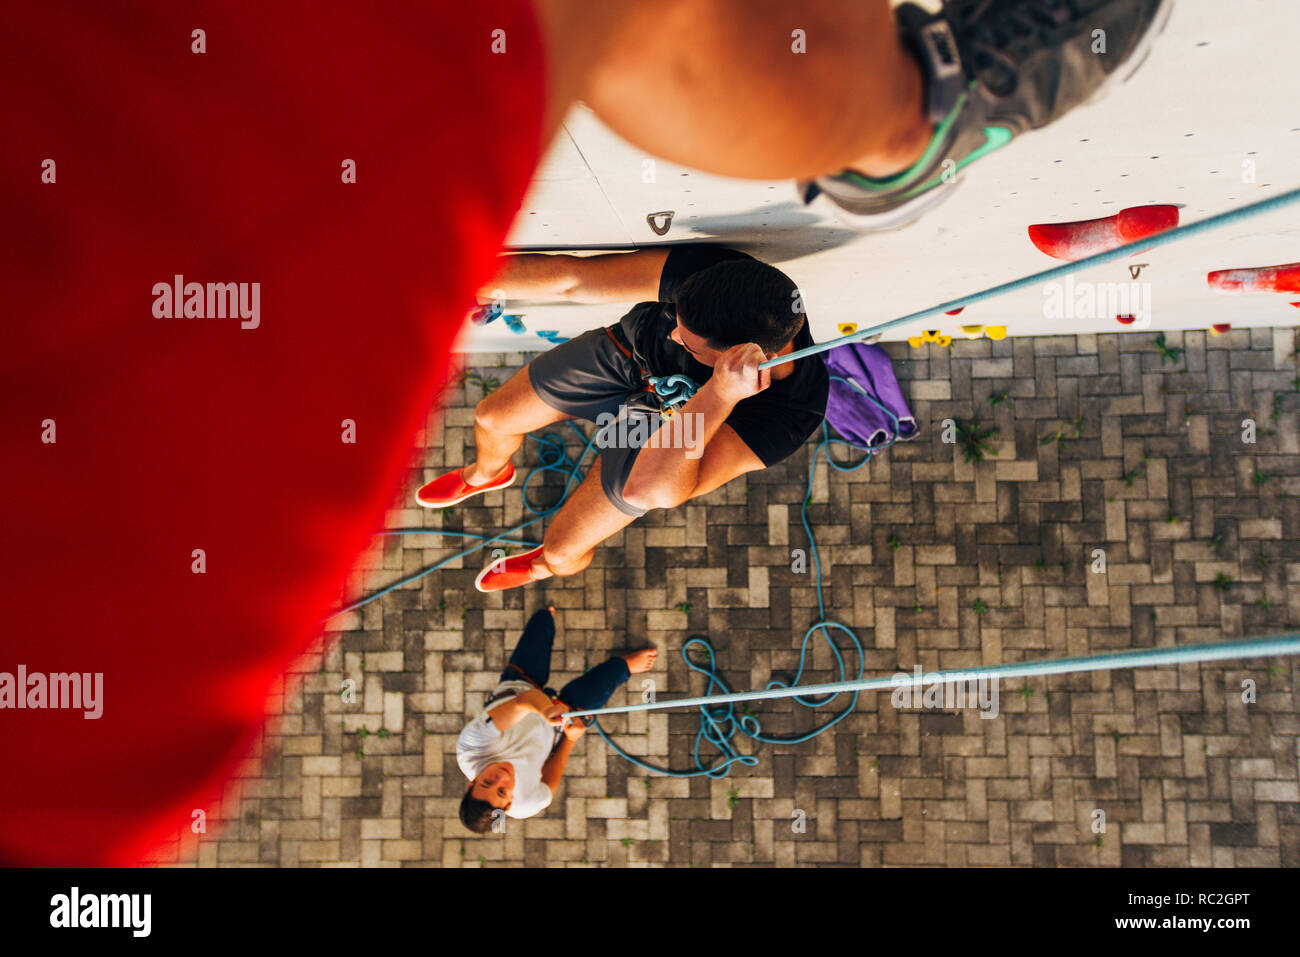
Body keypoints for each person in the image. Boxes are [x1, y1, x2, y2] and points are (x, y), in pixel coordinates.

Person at [1, 0, 1168, 863]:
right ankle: (915, 114)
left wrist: (468, 294)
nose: (508, 794)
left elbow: (565, 275)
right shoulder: (534, 786)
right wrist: (706, 405)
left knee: (516, 429)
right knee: (633, 504)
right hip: (721, 421)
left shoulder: (668, 311)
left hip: (653, 391)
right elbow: (560, 728)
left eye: (502, 797)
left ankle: (534, 509)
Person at [418, 244, 829, 591]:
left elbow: (649, 490)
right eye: (677, 322)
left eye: (689, 342)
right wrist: (463, 275)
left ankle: (547, 567)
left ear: (758, 357)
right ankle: (486, 472)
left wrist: (718, 396)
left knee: (563, 549)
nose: (673, 334)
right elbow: (573, 278)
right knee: (492, 417)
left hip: (666, 434)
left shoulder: (791, 413)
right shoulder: (723, 280)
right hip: (627, 357)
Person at [457, 607, 657, 832]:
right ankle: (625, 665)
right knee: (603, 683)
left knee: (541, 626)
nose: (499, 778)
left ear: (472, 782)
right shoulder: (526, 805)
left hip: (520, 689)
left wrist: (547, 709)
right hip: (555, 728)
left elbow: (522, 701)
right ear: (510, 804)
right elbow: (549, 785)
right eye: (502, 791)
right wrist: (570, 740)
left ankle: (546, 615)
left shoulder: (470, 748)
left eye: (486, 782)